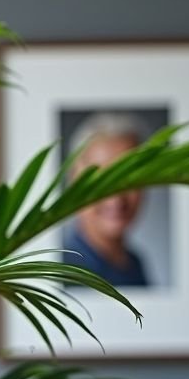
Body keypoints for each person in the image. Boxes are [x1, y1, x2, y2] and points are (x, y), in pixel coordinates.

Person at [62, 112, 151, 287]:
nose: (115, 199)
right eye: (101, 180)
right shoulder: (64, 271)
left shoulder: (135, 264)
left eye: (130, 179)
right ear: (73, 182)